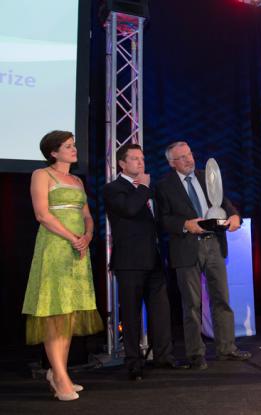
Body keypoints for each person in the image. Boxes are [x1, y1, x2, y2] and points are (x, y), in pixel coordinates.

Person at [22, 130, 103, 401]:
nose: (74, 149)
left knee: (68, 313)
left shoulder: (77, 180)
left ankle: (59, 373)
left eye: (74, 145)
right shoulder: (41, 175)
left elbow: (88, 216)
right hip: (55, 248)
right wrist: (72, 238)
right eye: (68, 146)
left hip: (78, 251)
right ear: (53, 152)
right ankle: (60, 376)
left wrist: (87, 236)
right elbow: (41, 214)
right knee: (54, 310)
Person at [155, 141, 250, 370]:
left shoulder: (206, 176)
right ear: (171, 163)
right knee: (192, 305)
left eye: (189, 154)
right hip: (186, 248)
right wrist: (186, 224)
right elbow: (162, 219)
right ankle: (196, 354)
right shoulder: (164, 186)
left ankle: (227, 349)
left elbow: (225, 204)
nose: (189, 160)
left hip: (214, 245)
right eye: (182, 158)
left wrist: (235, 216)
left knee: (222, 299)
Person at [104, 143, 186, 381]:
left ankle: (164, 356)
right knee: (130, 314)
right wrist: (144, 188)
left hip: (154, 259)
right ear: (122, 163)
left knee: (161, 312)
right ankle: (133, 363)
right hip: (129, 262)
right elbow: (129, 210)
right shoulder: (114, 188)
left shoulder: (149, 190)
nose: (140, 163)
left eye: (142, 158)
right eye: (134, 159)